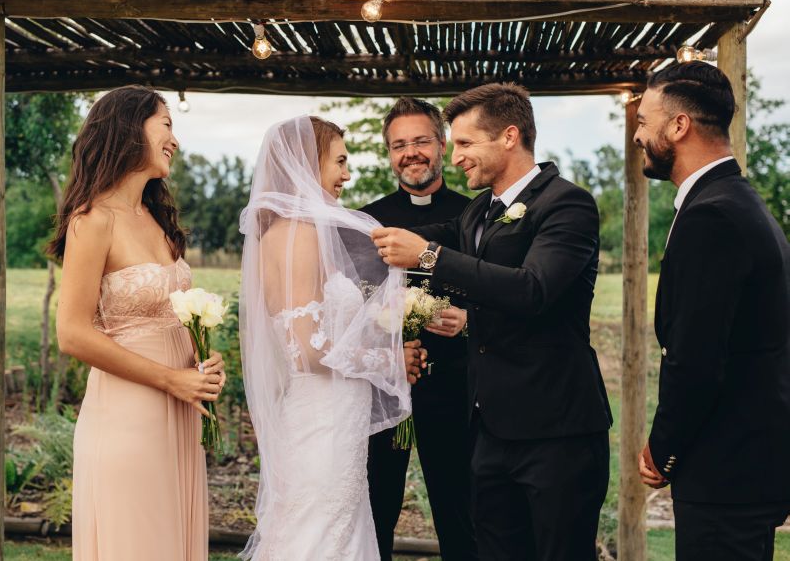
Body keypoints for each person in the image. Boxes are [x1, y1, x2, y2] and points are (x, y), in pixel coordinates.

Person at [372, 83, 612, 561]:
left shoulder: (567, 204)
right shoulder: (479, 211)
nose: (455, 157)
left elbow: (532, 290)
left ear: (508, 136)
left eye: (464, 143)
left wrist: (430, 257)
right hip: (488, 432)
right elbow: (421, 237)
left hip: (555, 432)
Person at [239, 115, 428, 560]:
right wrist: (389, 361)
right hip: (322, 417)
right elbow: (306, 349)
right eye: (339, 162)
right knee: (318, 534)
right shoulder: (298, 235)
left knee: (333, 528)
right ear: (308, 164)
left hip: (333, 415)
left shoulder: (290, 233)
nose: (347, 174)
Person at [49, 86, 225, 561]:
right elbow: (73, 333)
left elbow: (169, 317)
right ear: (130, 127)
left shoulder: (157, 218)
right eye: (166, 124)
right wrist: (172, 379)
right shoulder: (93, 220)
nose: (175, 140)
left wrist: (203, 360)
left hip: (182, 413)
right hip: (129, 416)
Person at [633, 61, 790, 561]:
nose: (638, 135)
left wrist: (663, 448)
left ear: (678, 126)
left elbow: (696, 357)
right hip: (746, 462)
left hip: (727, 469)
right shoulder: (738, 201)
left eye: (643, 121)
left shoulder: (712, 217)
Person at [361, 97, 477, 560]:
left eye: (421, 141)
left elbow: (492, 292)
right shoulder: (366, 220)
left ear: (443, 146)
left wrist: (466, 324)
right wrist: (386, 347)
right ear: (389, 154)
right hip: (383, 390)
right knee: (375, 508)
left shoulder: (475, 214)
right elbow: (351, 305)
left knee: (460, 512)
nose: (411, 153)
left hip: (455, 389)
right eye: (399, 145)